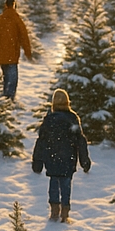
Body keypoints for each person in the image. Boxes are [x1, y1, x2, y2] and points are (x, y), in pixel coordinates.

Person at [33, 88, 91, 223]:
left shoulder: (49, 120)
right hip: (68, 159)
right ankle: (65, 212)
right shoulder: (72, 119)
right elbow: (80, 141)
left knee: (53, 184)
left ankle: (54, 211)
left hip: (52, 159)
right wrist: (85, 162)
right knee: (65, 185)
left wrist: (37, 162)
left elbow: (41, 141)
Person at [0, 0, 34, 100]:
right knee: (12, 79)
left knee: (6, 76)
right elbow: (24, 37)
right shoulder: (17, 20)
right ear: (14, 5)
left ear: (5, 5)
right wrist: (28, 52)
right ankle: (8, 100)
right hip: (12, 56)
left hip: (0, 56)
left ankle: (4, 98)